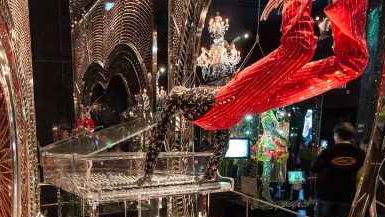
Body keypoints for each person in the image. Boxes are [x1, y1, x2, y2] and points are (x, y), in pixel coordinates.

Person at [138, 0, 368, 184]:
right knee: (352, 64)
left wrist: (148, 174)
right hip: (246, 104)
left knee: (299, 47)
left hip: (235, 95)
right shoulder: (212, 118)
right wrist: (206, 175)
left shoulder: (178, 95)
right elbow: (220, 145)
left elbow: (159, 135)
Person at [310, 122, 366, 217]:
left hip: (326, 194)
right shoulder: (359, 153)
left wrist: (318, 155)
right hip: (347, 195)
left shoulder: (328, 152)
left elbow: (314, 168)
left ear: (337, 135)